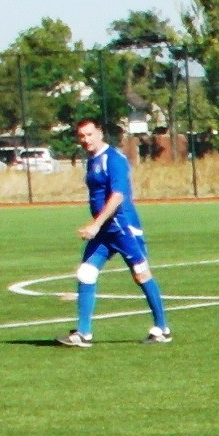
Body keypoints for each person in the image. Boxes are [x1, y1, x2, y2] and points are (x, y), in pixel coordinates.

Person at [56, 117, 169, 348]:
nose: (86, 140)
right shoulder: (92, 160)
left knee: (141, 275)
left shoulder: (114, 159)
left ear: (100, 133)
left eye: (89, 134)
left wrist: (96, 224)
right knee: (86, 273)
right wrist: (98, 226)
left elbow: (118, 196)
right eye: (81, 136)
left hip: (122, 228)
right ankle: (84, 333)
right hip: (105, 231)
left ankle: (162, 328)